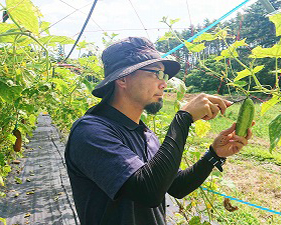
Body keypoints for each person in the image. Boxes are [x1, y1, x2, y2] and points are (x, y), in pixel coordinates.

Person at [65, 37, 253, 225]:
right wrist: (183, 118)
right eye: (156, 74)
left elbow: (176, 186)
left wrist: (215, 154)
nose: (164, 84)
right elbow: (148, 192)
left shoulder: (144, 133)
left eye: (165, 76)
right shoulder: (90, 132)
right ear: (123, 78)